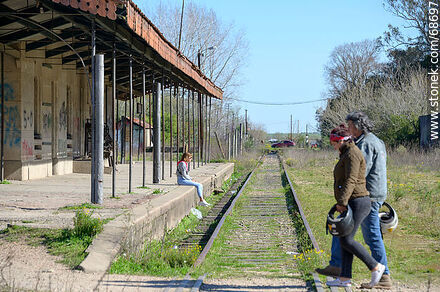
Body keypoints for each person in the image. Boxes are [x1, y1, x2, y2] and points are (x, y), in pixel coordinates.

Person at [316, 112, 391, 289]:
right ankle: (342, 272)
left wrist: (344, 198)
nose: (348, 129)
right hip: (374, 194)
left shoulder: (363, 145)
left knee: (366, 236)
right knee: (345, 234)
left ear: (357, 126)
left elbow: (356, 175)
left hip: (365, 196)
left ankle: (382, 274)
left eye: (349, 125)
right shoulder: (377, 140)